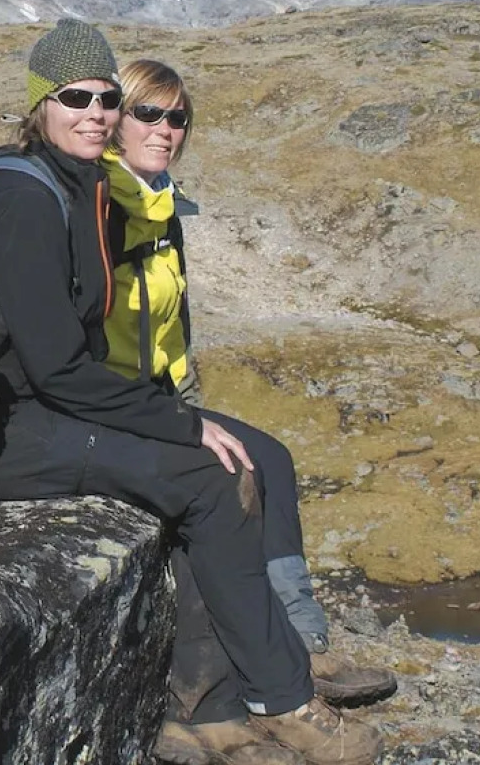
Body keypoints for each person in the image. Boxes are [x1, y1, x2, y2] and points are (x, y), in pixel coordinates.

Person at [0, 18, 382, 765]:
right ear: (40, 103)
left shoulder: (62, 186)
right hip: (2, 431)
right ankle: (269, 703)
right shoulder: (26, 204)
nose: (97, 113)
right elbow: (57, 369)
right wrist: (176, 425)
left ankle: (262, 682)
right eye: (77, 97)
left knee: (237, 459)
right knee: (209, 474)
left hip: (35, 413)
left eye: (107, 98)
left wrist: (171, 419)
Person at [99, 59, 396, 762]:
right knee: (222, 480)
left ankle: (299, 639)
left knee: (272, 456)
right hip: (113, 412)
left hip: (158, 400)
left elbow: (167, 332)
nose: (167, 130)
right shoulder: (101, 203)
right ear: (116, 117)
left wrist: (188, 405)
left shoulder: (159, 200)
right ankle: (221, 696)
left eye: (178, 118)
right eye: (150, 113)